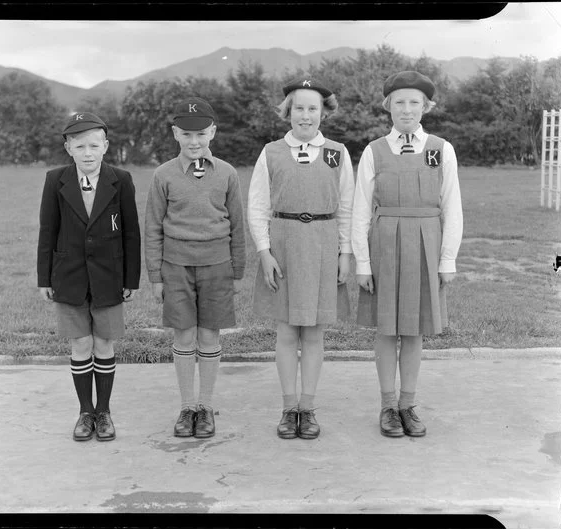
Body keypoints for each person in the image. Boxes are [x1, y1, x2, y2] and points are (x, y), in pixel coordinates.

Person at [352, 71, 463, 438]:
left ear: (426, 107)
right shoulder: (374, 151)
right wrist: (363, 265)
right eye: (399, 101)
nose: (407, 109)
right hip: (384, 244)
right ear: (388, 107)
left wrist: (447, 260)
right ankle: (387, 405)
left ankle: (408, 404)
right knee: (386, 328)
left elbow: (453, 207)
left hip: (425, 245)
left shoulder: (440, 149)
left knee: (414, 330)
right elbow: (360, 210)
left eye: (414, 102)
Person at [248, 78, 354, 440]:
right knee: (287, 331)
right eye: (298, 108)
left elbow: (348, 208)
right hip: (284, 245)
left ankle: (307, 408)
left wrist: (345, 254)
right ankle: (288, 406)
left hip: (323, 245)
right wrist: (264, 252)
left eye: (313, 108)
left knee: (314, 332)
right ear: (287, 112)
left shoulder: (337, 152)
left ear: (324, 112)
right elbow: (258, 206)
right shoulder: (271, 151)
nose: (305, 116)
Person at [145, 97, 246, 439]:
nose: (194, 142)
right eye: (186, 134)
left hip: (217, 265)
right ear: (175, 134)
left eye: (201, 134)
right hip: (176, 266)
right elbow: (154, 227)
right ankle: (187, 406)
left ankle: (205, 406)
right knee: (184, 334)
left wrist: (236, 271)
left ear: (212, 133)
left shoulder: (228, 174)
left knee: (209, 334)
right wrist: (156, 276)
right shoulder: (163, 175)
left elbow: (237, 225)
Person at [37, 112, 141, 442]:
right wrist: (44, 278)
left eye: (94, 145)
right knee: (81, 344)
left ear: (106, 146)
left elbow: (131, 233)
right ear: (68, 148)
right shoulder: (56, 180)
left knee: (104, 342)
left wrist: (131, 278)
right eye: (79, 146)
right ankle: (85, 412)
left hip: (109, 276)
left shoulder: (120, 179)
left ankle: (105, 412)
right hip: (69, 277)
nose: (87, 153)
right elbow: (47, 230)